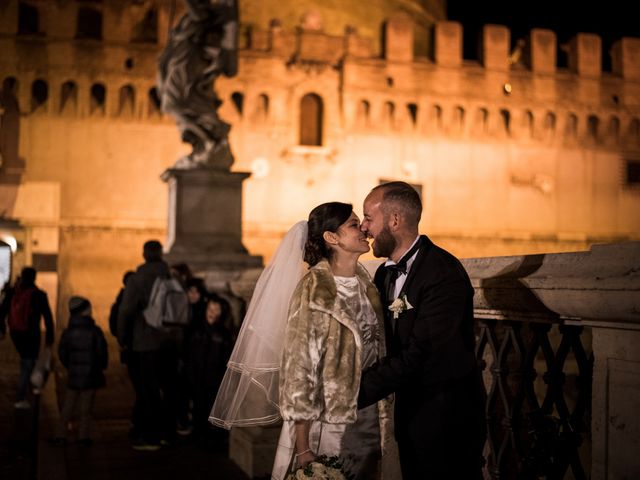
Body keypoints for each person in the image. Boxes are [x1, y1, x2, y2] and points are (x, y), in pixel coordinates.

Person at [210, 202, 390, 480]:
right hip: (330, 423)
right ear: (331, 237)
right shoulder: (313, 291)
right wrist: (304, 447)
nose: (364, 229)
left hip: (371, 418)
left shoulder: (367, 283)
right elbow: (299, 370)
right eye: (354, 224)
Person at [357, 181, 486, 479]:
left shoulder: (443, 273)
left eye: (368, 217)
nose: (364, 227)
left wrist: (354, 391)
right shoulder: (384, 275)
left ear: (394, 220)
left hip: (446, 419)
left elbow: (423, 353)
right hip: (411, 414)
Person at [117, 240, 181, 451]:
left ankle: (150, 436)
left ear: (143, 254)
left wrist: (123, 339)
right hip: (170, 342)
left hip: (145, 342)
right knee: (170, 388)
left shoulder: (137, 279)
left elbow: (125, 312)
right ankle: (168, 434)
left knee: (148, 391)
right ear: (161, 254)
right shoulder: (170, 276)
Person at [54, 296, 108, 446]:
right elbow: (102, 352)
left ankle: (61, 434)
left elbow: (62, 353)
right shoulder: (95, 331)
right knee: (86, 407)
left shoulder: (68, 332)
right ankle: (83, 436)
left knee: (68, 406)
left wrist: (70, 366)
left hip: (74, 375)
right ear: (85, 311)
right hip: (91, 375)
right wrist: (101, 367)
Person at [0, 267, 55, 409]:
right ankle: (21, 397)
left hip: (16, 333)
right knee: (27, 362)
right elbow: (48, 317)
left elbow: (2, 311)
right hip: (32, 333)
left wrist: (2, 329)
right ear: (34, 277)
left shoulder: (13, 292)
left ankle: (30, 389)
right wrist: (50, 337)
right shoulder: (39, 294)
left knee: (28, 360)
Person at [186, 293, 233, 447]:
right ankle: (198, 434)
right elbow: (189, 354)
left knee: (212, 407)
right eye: (210, 308)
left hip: (215, 378)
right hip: (197, 375)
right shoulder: (196, 329)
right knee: (198, 407)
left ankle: (213, 437)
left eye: (216, 309)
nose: (212, 312)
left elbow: (226, 358)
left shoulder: (224, 334)